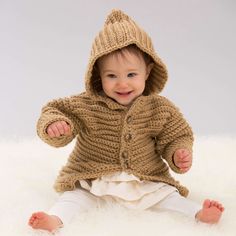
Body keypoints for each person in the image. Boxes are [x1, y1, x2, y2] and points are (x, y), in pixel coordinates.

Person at [28, 9, 224, 233]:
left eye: (131, 75)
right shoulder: (86, 104)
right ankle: (55, 219)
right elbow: (54, 110)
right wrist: (55, 124)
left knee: (166, 197)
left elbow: (176, 134)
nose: (122, 84)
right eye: (111, 76)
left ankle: (198, 213)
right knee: (74, 199)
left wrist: (177, 153)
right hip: (94, 180)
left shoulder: (158, 108)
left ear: (148, 72)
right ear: (97, 75)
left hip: (143, 179)